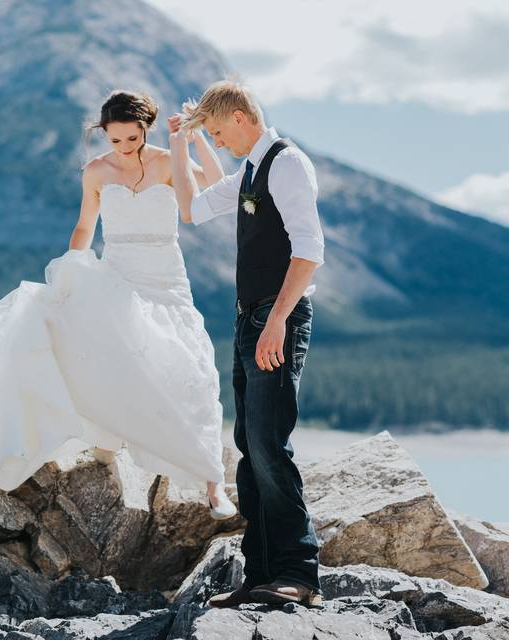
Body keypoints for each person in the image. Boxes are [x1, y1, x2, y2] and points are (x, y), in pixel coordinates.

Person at [0, 90, 236, 519]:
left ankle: (213, 484)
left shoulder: (165, 160)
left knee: (191, 368)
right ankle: (108, 436)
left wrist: (194, 139)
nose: (123, 148)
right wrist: (71, 269)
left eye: (131, 139)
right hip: (118, 275)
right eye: (114, 140)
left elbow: (215, 183)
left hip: (167, 280)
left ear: (145, 129)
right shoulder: (97, 171)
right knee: (105, 351)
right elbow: (85, 226)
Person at [168, 80, 325, 607]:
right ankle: (260, 577)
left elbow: (309, 250)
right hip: (246, 321)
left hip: (275, 319)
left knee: (269, 444)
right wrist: (184, 142)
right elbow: (190, 208)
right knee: (249, 449)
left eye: (218, 132)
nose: (220, 141)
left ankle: (299, 575)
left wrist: (278, 320)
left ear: (240, 117)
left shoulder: (286, 163)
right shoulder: (250, 171)